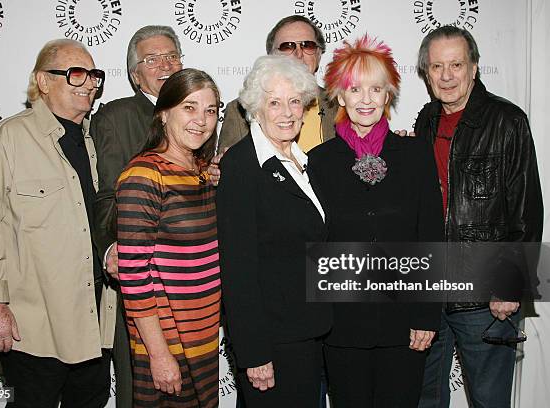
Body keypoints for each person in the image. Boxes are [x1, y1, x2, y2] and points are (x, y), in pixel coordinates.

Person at [0, 38, 116, 407]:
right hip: (34, 327)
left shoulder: (95, 140)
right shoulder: (7, 139)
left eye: (93, 74)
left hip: (95, 320)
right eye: (75, 74)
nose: (89, 83)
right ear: (43, 81)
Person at [307, 35, 443, 407]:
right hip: (341, 326)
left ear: (388, 96)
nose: (365, 100)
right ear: (339, 96)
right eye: (355, 89)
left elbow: (431, 236)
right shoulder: (318, 162)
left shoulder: (415, 155)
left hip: (404, 323)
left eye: (375, 90)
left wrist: (426, 314)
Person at [414, 26, 544, 407]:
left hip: (486, 298)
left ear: (474, 68)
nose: (447, 75)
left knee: (489, 399)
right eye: (437, 66)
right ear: (426, 73)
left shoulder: (507, 121)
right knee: (425, 399)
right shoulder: (425, 121)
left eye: (456, 64)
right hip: (429, 293)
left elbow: (526, 210)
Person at [217, 55, 332, 407]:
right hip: (272, 341)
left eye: (294, 101)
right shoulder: (241, 166)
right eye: (275, 102)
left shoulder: (306, 161)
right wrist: (254, 353)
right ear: (256, 108)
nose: (286, 112)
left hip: (310, 333)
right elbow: (239, 270)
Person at [89, 24, 184, 407]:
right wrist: (119, 250)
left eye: (172, 56)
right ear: (134, 74)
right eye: (152, 59)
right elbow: (106, 198)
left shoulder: (194, 114)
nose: (165, 64)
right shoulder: (117, 116)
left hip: (190, 281)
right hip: (142, 277)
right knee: (143, 387)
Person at [116, 68, 221, 407]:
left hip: (203, 340)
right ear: (162, 113)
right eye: (189, 108)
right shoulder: (144, 174)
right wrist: (159, 355)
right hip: (167, 344)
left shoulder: (201, 172)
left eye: (210, 110)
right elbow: (133, 275)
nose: (201, 120)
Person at [217, 15, 338, 154]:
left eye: (307, 45)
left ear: (318, 54)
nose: (299, 54)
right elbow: (227, 165)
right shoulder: (239, 110)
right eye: (287, 46)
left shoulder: (339, 107)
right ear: (271, 55)